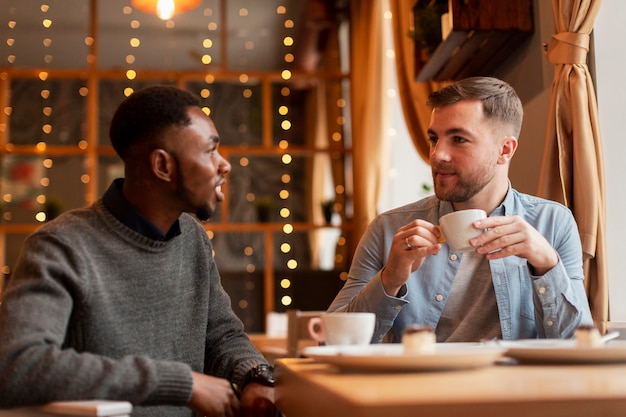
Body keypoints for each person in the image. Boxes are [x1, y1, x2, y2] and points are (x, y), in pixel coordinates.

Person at [0, 86, 279, 417]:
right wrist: (181, 384)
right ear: (162, 165)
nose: (225, 165)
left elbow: (222, 336)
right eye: (209, 152)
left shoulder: (194, 239)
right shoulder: (61, 246)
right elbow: (16, 366)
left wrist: (255, 376)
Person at [327, 76, 594, 343]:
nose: (437, 154)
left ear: (505, 149)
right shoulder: (388, 230)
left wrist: (547, 264)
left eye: (458, 139)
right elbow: (330, 342)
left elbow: (579, 346)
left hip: (512, 384)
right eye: (434, 138)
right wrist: (390, 279)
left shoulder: (553, 223)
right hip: (418, 384)